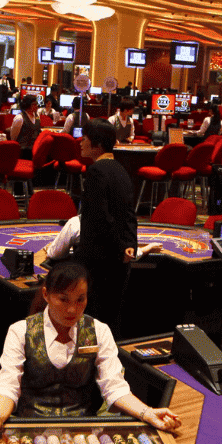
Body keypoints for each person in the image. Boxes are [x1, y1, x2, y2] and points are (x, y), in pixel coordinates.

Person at [0, 260, 182, 437]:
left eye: (80, 299)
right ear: (46, 295)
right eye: (63, 299)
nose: (72, 309)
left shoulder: (99, 331)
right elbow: (8, 386)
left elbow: (114, 387)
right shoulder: (20, 331)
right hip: (30, 430)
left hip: (84, 431)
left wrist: (147, 413)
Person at [74, 120, 137, 330]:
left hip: (99, 259)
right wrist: (129, 246)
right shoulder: (121, 169)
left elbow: (101, 218)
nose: (80, 142)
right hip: (119, 258)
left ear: (97, 145)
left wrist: (119, 247)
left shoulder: (96, 172)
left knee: (94, 323)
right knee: (111, 320)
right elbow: (130, 215)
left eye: (84, 138)